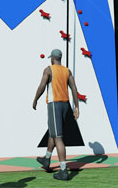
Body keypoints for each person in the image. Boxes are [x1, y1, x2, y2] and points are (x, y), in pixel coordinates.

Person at [32, 48, 80, 181]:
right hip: (65, 105)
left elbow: (42, 86)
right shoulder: (67, 71)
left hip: (54, 105)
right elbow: (74, 89)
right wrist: (76, 106)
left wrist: (35, 99)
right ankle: (47, 159)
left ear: (52, 58)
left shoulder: (49, 69)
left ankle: (64, 171)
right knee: (53, 132)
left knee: (58, 137)